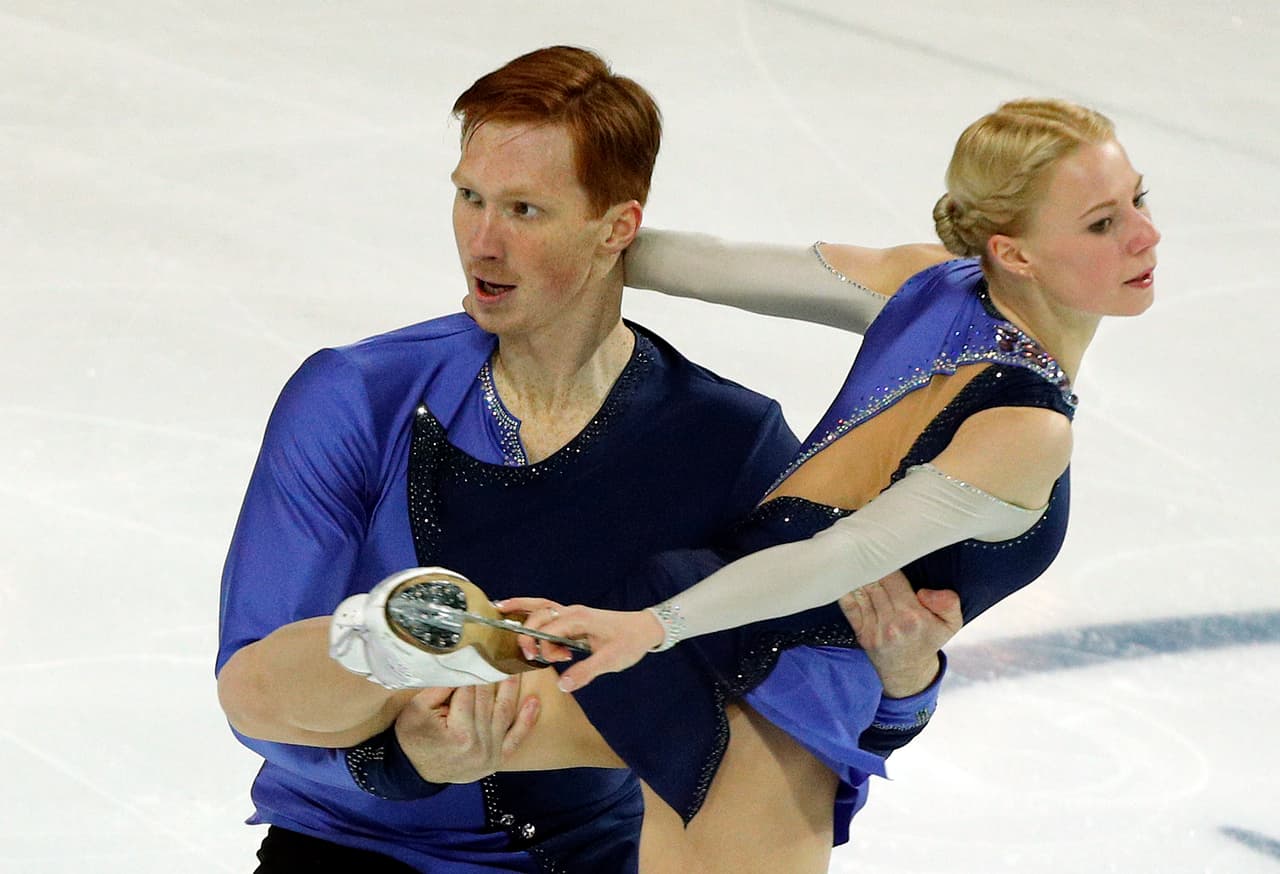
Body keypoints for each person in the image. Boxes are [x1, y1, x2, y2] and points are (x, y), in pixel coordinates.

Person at [216, 45, 950, 874]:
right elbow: (250, 695)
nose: (482, 242)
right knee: (314, 665)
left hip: (587, 856)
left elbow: (820, 714)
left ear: (617, 229)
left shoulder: (724, 441)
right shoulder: (360, 396)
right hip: (354, 848)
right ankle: (394, 641)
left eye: (524, 210)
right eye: (469, 197)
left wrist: (906, 677)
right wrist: (404, 761)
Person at [457, 96, 1158, 870]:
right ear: (1014, 254)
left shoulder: (924, 283)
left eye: (1139, 200)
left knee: (429, 733)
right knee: (433, 734)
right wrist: (653, 628)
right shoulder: (1027, 428)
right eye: (1103, 223)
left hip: (706, 614)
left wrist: (552, 238)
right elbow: (843, 556)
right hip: (772, 691)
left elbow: (697, 263)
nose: (1145, 235)